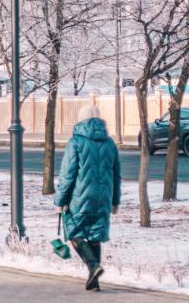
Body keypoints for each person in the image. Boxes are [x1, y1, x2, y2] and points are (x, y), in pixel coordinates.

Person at [54, 105, 121, 292]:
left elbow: (67, 175)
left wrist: (59, 201)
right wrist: (115, 201)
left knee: (74, 232)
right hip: (103, 197)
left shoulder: (75, 142)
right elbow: (116, 175)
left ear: (81, 119)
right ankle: (94, 282)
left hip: (80, 197)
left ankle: (93, 266)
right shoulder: (110, 143)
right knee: (95, 235)